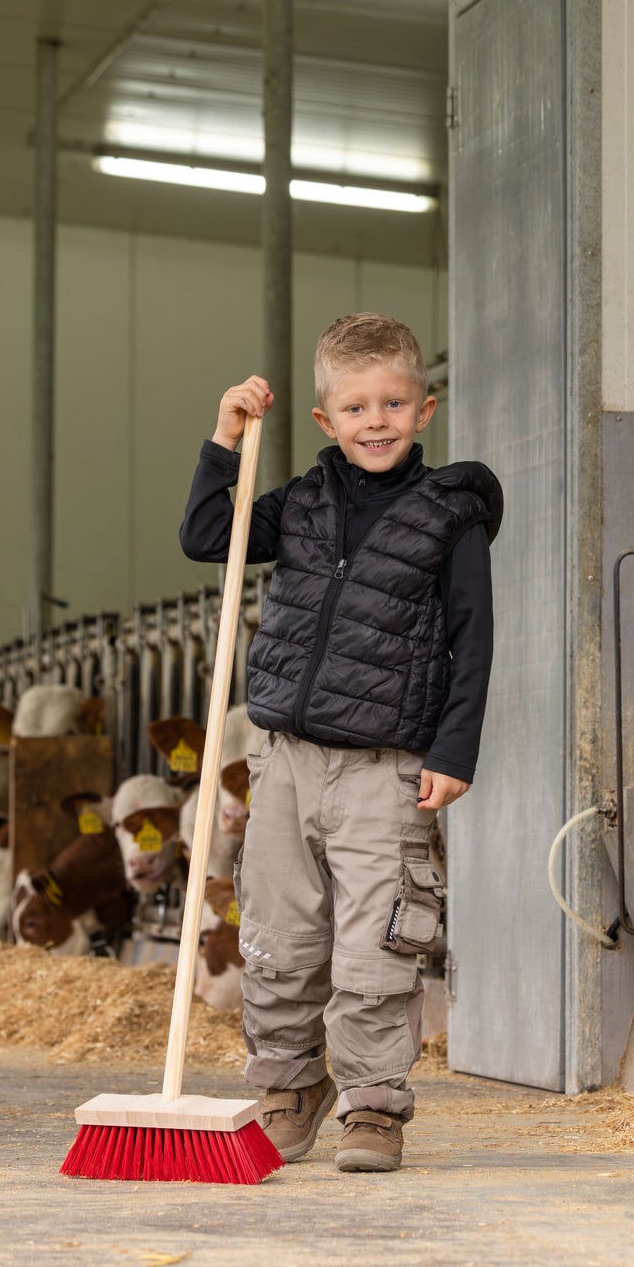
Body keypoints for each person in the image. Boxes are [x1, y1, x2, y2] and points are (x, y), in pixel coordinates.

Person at [179, 313, 501, 1173]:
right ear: (327, 420)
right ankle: (290, 1087)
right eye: (356, 407)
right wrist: (225, 439)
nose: (377, 420)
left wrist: (453, 751)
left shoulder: (450, 516)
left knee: (377, 945)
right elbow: (209, 537)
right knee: (279, 939)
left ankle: (372, 1106)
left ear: (424, 409)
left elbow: (473, 639)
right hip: (283, 758)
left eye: (394, 401)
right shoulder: (302, 506)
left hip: (385, 765)